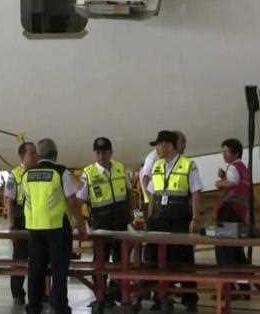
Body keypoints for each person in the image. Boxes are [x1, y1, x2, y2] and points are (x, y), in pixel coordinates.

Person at [21, 138, 86, 314]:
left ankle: (33, 306)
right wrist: (81, 225)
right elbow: (72, 202)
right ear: (55, 155)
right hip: (57, 228)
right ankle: (59, 306)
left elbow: (25, 201)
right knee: (59, 269)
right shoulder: (61, 172)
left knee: (35, 269)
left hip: (34, 228)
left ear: (39, 154)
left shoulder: (27, 174)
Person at [143, 130, 202, 312]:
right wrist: (148, 217)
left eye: (159, 145)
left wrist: (195, 218)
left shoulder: (188, 165)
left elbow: (196, 192)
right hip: (158, 219)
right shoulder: (157, 165)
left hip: (179, 220)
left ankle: (189, 297)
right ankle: (161, 297)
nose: (157, 149)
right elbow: (153, 194)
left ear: (168, 145)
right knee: (155, 259)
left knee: (182, 259)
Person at [77, 137, 133, 305]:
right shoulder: (88, 173)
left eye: (105, 152)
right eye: (98, 152)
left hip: (120, 222)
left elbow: (129, 192)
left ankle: (116, 292)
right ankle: (100, 295)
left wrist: (131, 213)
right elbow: (79, 201)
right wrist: (81, 223)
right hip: (101, 224)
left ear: (111, 152)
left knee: (120, 260)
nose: (101, 155)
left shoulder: (119, 167)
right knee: (100, 261)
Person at [214, 138, 250, 297]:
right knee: (236, 251)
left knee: (225, 251)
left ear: (235, 153)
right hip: (238, 212)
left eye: (226, 151)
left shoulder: (234, 167)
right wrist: (224, 178)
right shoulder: (243, 168)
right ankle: (244, 287)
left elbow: (232, 183)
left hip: (229, 212)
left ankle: (229, 289)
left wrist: (220, 183)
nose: (223, 155)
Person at [4, 141, 38, 305]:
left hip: (38, 221)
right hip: (21, 221)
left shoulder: (40, 172)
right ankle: (17, 293)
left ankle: (39, 294)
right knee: (19, 259)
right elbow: (9, 201)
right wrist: (11, 225)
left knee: (39, 258)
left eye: (36, 153)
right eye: (32, 153)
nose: (35, 156)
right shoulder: (14, 175)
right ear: (22, 156)